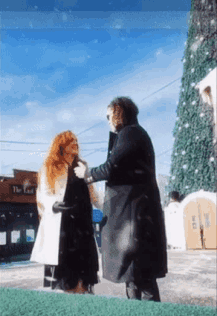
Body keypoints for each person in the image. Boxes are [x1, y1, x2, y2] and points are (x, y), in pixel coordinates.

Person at [74, 97, 167, 301]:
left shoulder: (130, 133)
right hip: (137, 216)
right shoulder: (135, 134)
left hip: (135, 219)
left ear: (118, 113)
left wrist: (87, 175)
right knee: (135, 277)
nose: (108, 121)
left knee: (141, 277)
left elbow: (111, 167)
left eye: (109, 116)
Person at [30, 130, 100, 294]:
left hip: (83, 226)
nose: (75, 144)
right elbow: (42, 194)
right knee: (66, 276)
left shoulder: (82, 165)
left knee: (84, 274)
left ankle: (83, 300)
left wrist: (109, 208)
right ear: (61, 145)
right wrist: (53, 205)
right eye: (71, 141)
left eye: (76, 141)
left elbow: (93, 193)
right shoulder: (50, 167)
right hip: (63, 226)